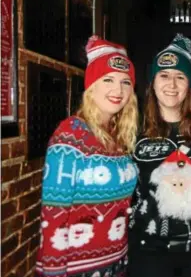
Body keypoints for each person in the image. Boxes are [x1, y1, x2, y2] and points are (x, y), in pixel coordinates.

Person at [35, 36, 139, 277]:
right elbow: (53, 216)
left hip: (117, 261)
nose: (118, 90)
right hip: (76, 268)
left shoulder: (119, 136)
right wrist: (53, 271)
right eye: (108, 80)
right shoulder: (70, 135)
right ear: (92, 85)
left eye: (125, 82)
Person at [128, 34, 191, 277]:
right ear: (153, 82)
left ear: (189, 84)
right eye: (164, 75)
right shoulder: (134, 130)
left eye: (180, 76)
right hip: (147, 253)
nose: (172, 84)